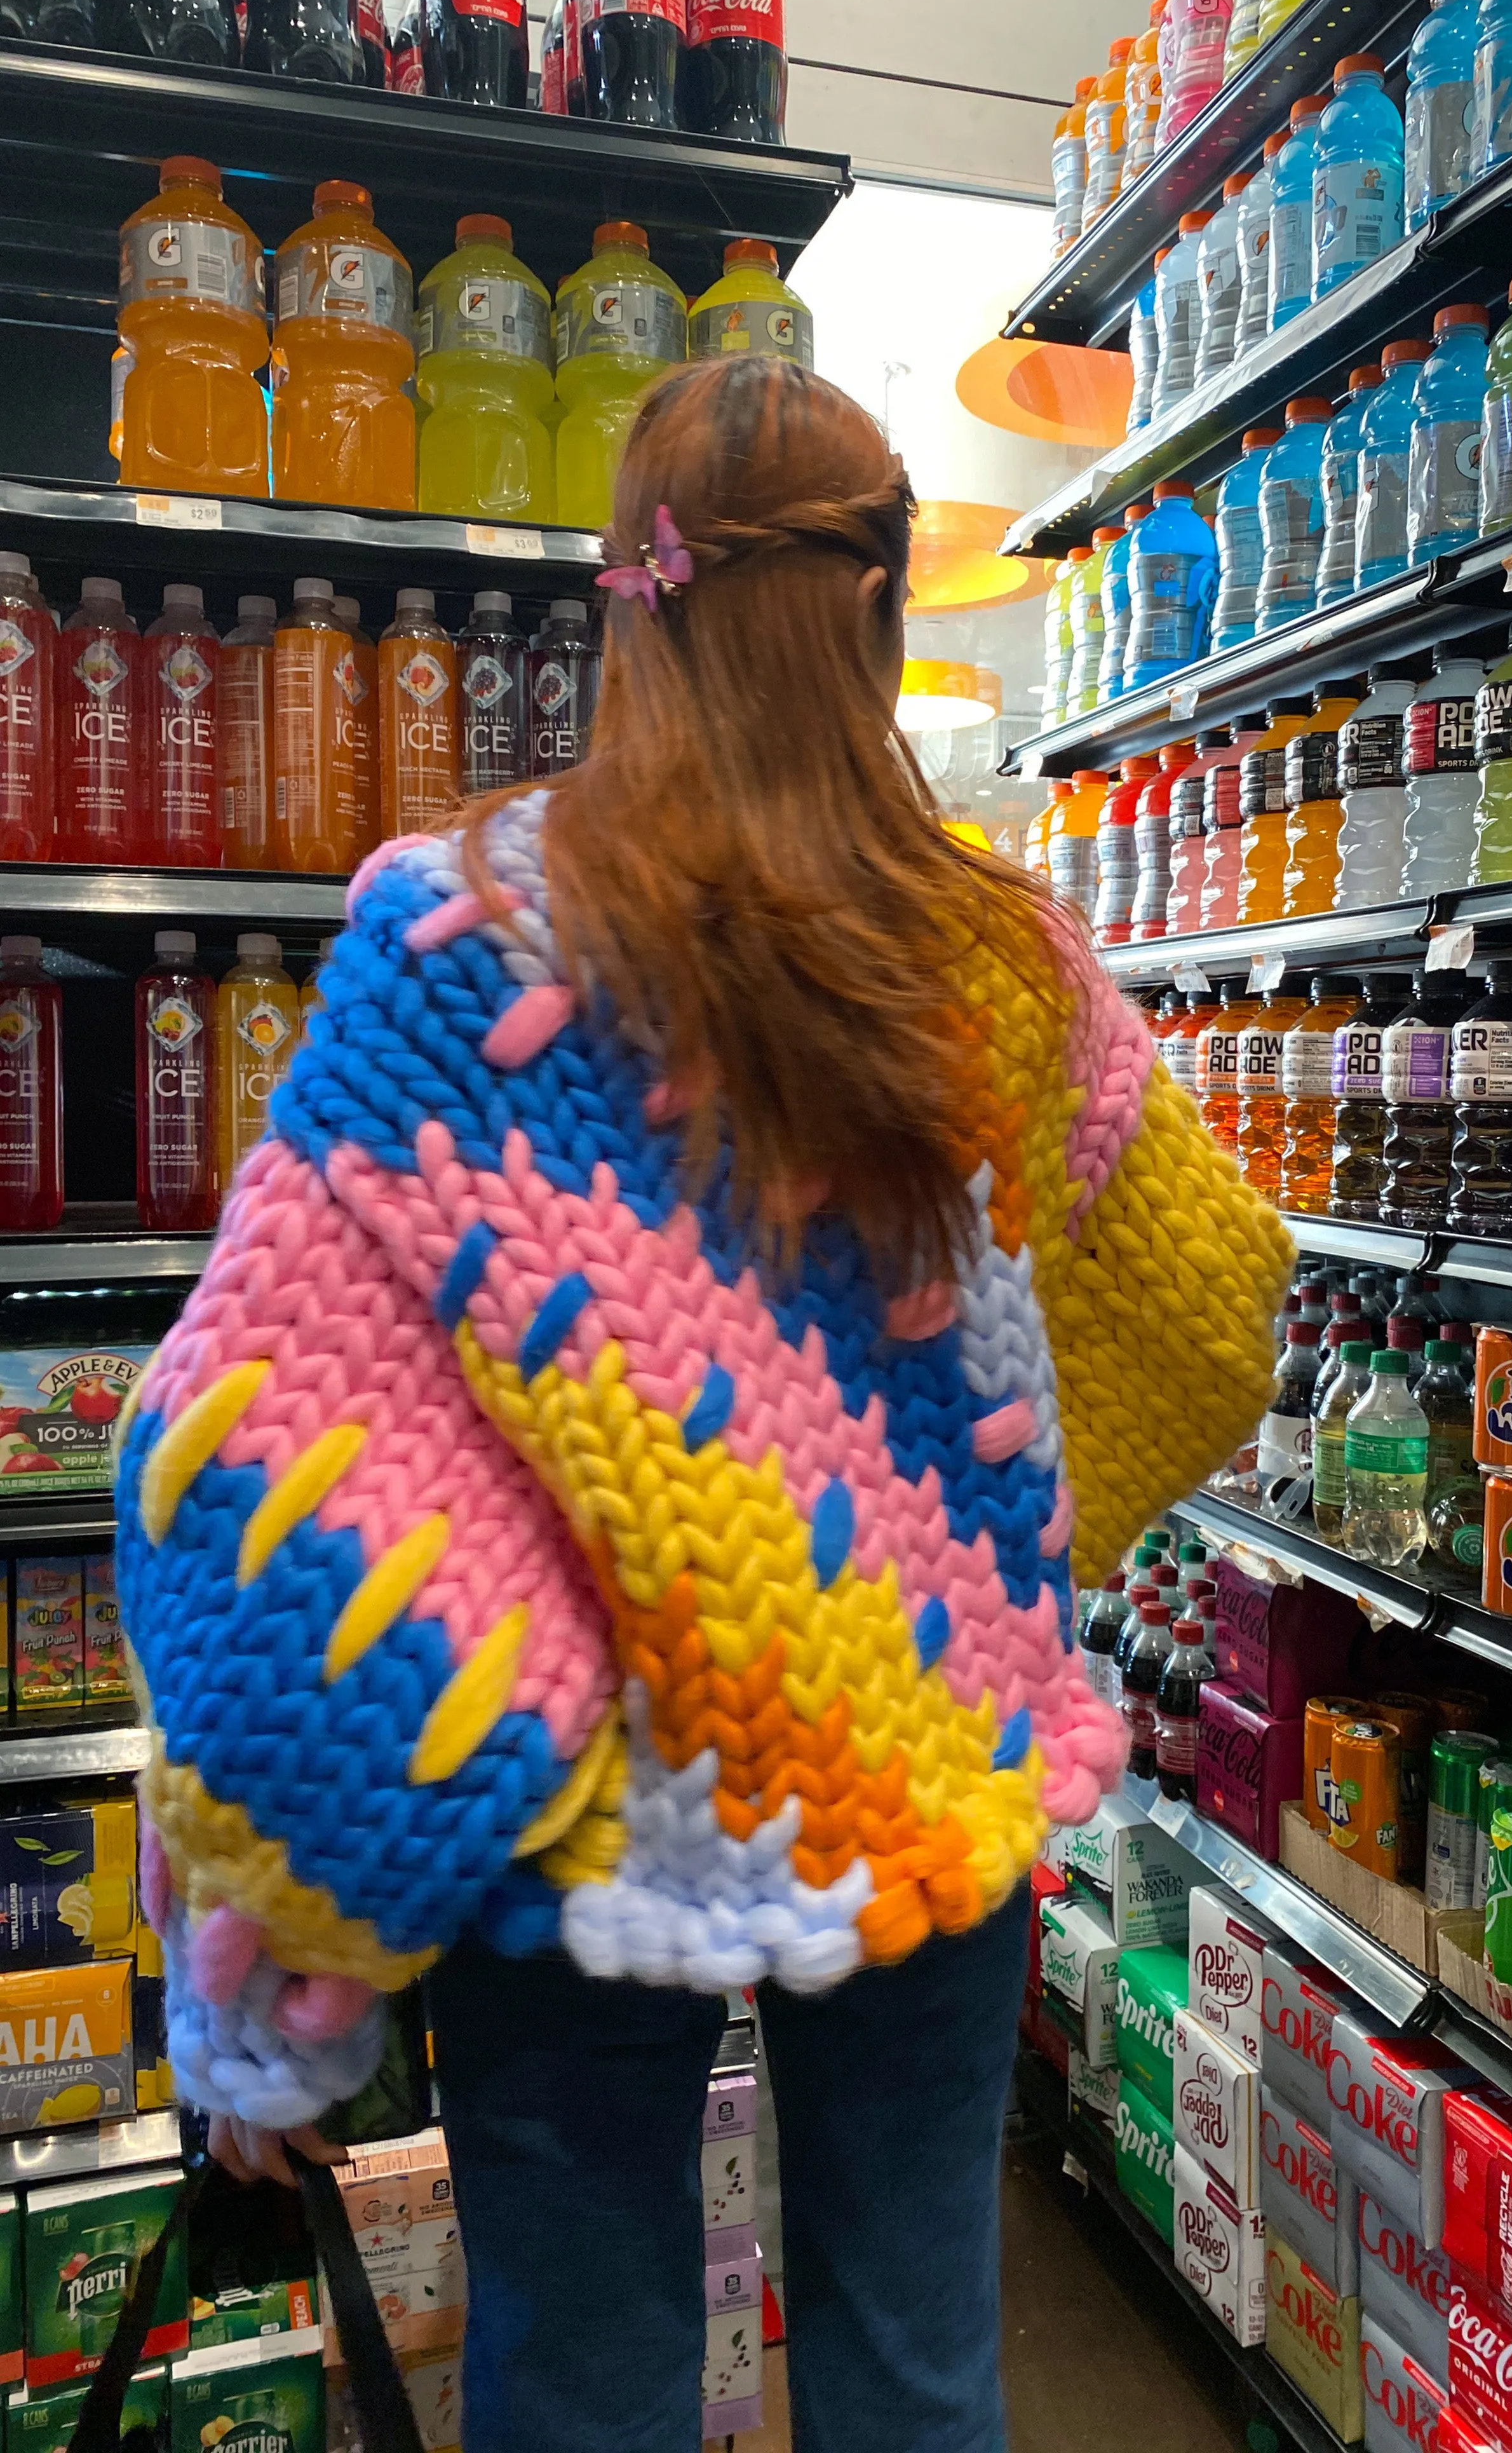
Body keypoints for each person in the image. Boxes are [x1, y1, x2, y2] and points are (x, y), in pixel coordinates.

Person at [114, 357, 1290, 2450]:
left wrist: (269, 1953)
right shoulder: (1000, 957)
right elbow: (1211, 1300)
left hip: (572, 1833)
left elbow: (282, 1451)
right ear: (875, 610)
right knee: (918, 2348)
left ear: (626, 608)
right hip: (923, 1767)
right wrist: (974, 1564)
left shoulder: (459, 937)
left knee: (586, 2364)